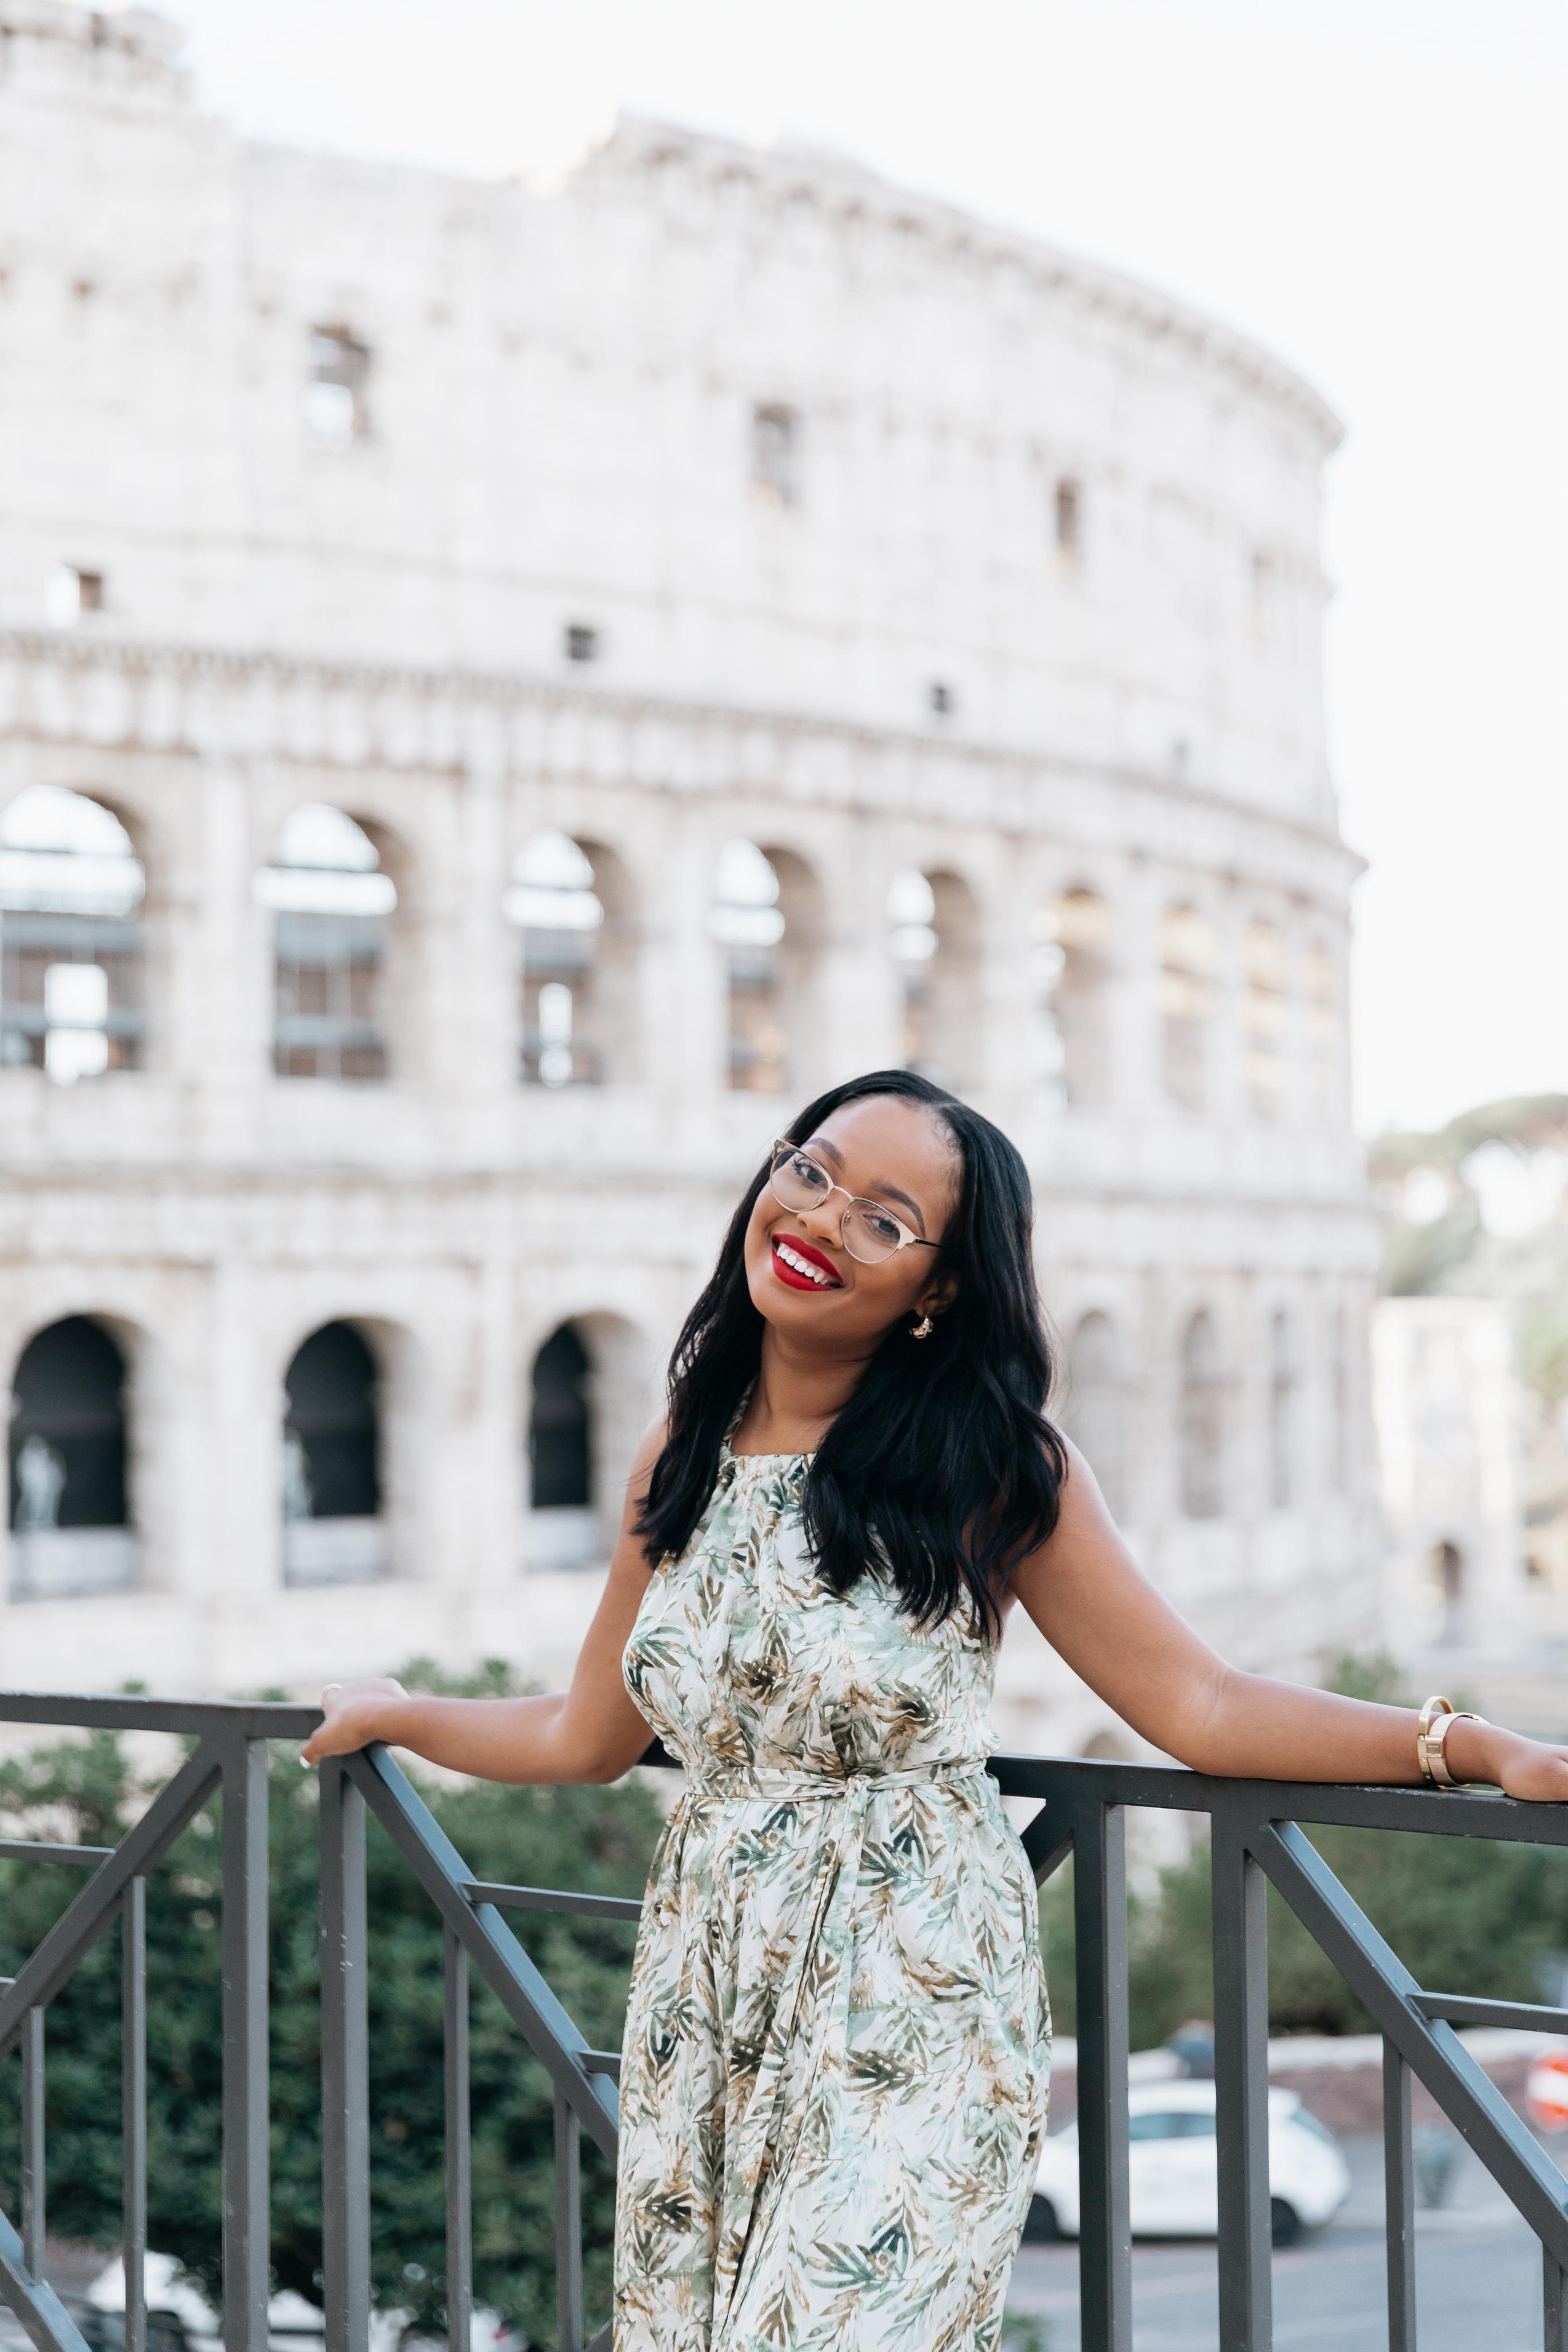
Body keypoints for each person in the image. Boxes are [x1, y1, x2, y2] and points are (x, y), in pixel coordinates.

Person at [303, 1069, 1568, 2352]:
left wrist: (1458, 1746)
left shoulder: (991, 1460)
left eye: (882, 1219)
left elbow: (1197, 1701)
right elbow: (589, 1735)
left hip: (910, 1994)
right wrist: (407, 1716)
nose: (817, 1219)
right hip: (711, 1996)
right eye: (811, 1171)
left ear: (939, 1287)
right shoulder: (682, 1440)